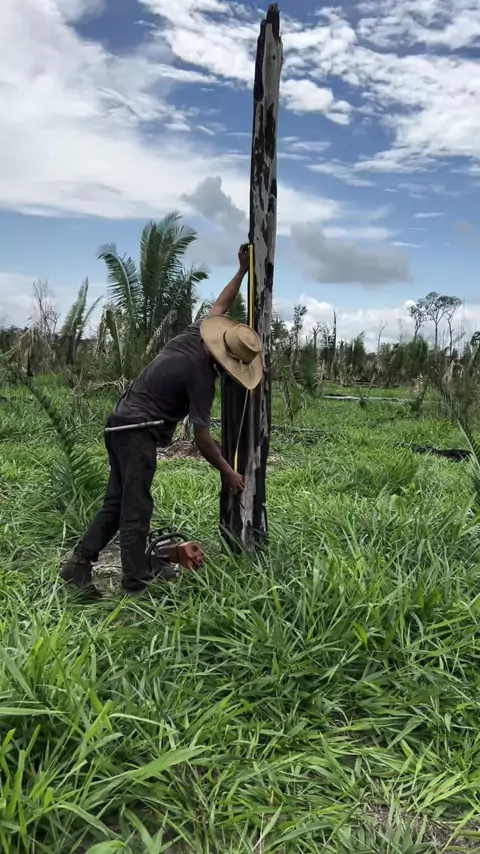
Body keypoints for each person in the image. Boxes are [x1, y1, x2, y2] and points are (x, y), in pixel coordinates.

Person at [59, 244, 263, 596]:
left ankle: (78, 564)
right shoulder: (200, 377)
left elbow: (220, 306)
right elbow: (201, 438)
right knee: (136, 508)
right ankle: (136, 582)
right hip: (138, 432)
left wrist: (242, 271)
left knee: (117, 502)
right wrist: (228, 472)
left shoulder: (194, 334)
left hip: (119, 422)